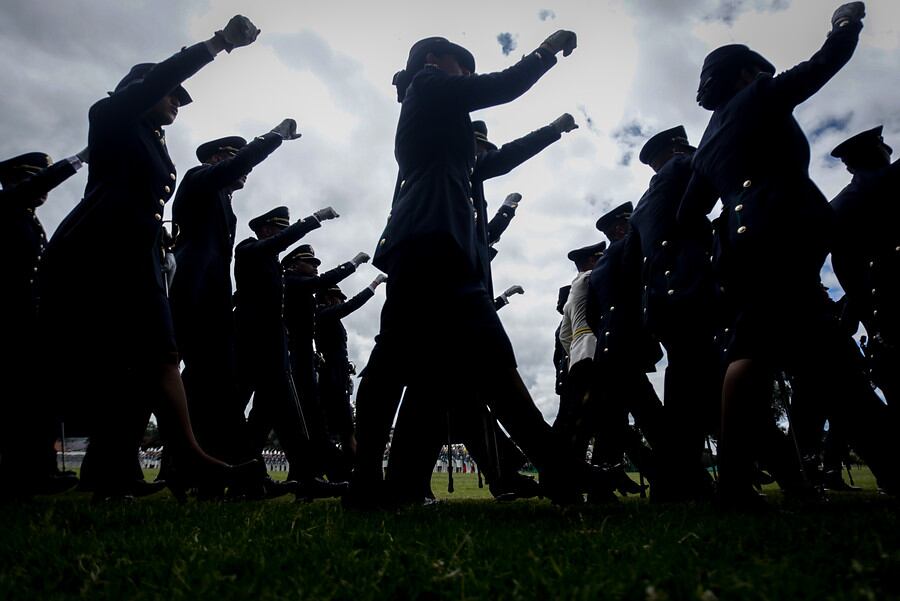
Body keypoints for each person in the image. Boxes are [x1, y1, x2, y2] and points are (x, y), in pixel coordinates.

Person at [352, 30, 593, 506]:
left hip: (433, 245)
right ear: (434, 59)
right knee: (448, 362)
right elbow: (503, 86)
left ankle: (393, 485)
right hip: (430, 244)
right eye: (462, 65)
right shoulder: (427, 84)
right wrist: (545, 52)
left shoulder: (444, 134)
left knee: (425, 369)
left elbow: (496, 161)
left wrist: (551, 131)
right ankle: (561, 471)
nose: (467, 74)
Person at [678, 2, 898, 503]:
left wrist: (733, 226)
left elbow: (687, 217)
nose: (765, 75)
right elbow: (824, 63)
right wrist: (846, 23)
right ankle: (738, 483)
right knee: (805, 356)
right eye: (758, 69)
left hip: (742, 249)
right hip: (783, 235)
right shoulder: (758, 96)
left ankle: (740, 480)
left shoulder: (707, 143)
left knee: (796, 355)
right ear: (742, 74)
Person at [39, 15, 263, 500]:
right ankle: (154, 461)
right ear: (140, 91)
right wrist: (219, 43)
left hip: (139, 254)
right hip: (98, 251)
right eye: (170, 95)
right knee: (88, 360)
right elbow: (158, 81)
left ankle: (141, 465)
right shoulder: (111, 115)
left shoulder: (153, 139)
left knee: (155, 357)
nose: (176, 102)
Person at [170, 122, 302, 498]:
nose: (243, 171)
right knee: (168, 376)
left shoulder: (223, 202)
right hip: (191, 290)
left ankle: (239, 473)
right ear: (216, 159)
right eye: (233, 159)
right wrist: (274, 136)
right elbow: (236, 167)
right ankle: (127, 468)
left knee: (219, 390)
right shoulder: (199, 179)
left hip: (213, 297)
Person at [628, 126, 720, 501]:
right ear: (679, 147)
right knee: (703, 381)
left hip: (661, 301)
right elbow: (718, 179)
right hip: (693, 285)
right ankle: (682, 477)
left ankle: (676, 478)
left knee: (686, 385)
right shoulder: (685, 167)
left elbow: (633, 266)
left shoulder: (642, 206)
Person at [235, 206, 347, 499]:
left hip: (273, 349)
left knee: (287, 415)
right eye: (279, 231)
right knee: (234, 410)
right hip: (249, 344)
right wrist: (314, 220)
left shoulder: (273, 265)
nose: (282, 237)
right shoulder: (248, 249)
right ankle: (232, 478)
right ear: (265, 230)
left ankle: (306, 479)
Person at [0, 151, 84, 497]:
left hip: (29, 318)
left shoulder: (29, 220)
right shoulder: (6, 206)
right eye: (30, 179)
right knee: (17, 397)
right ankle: (22, 471)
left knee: (35, 399)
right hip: (8, 317)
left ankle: (37, 470)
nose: (42, 189)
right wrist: (79, 160)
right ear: (10, 180)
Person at [584, 203, 666, 501]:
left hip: (608, 348)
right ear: (622, 228)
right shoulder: (627, 249)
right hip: (628, 343)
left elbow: (592, 315)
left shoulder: (600, 267)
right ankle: (679, 477)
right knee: (650, 415)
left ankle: (600, 488)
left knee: (613, 420)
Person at [280, 244, 371, 481]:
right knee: (310, 422)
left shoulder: (311, 302)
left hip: (315, 367)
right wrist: (358, 268)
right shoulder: (301, 291)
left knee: (311, 422)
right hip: (306, 367)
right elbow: (345, 304)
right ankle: (331, 473)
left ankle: (319, 474)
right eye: (310, 263)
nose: (315, 268)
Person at [830, 125, 900, 411]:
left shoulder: (836, 208)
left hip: (883, 326)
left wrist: (855, 304)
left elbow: (843, 266)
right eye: (882, 145)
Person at [315, 278, 385, 464]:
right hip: (332, 378)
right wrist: (373, 285)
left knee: (344, 429)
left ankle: (348, 467)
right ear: (329, 298)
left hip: (338, 376)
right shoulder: (323, 314)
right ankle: (353, 468)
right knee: (343, 429)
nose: (341, 301)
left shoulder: (329, 318)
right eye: (338, 297)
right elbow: (351, 305)